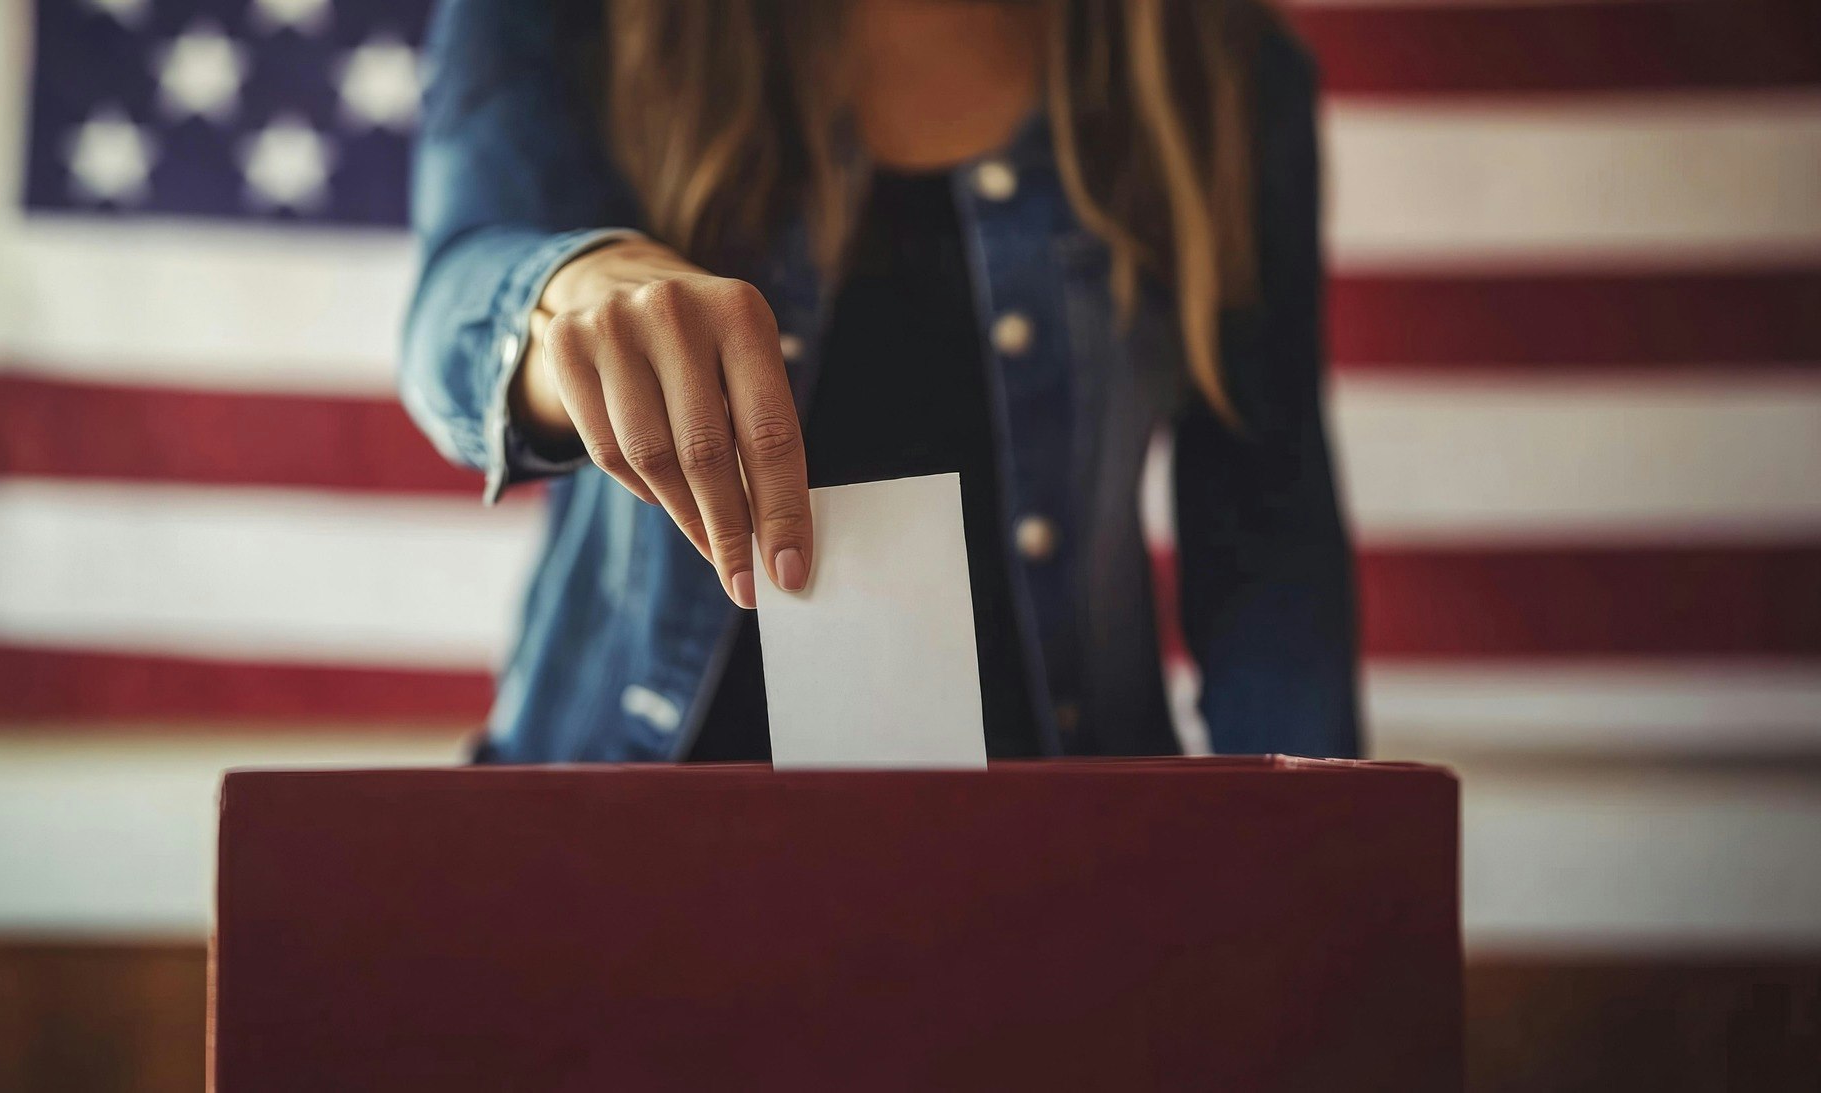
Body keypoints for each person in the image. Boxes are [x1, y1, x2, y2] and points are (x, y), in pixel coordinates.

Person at [401, 0, 1360, 763]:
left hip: (1060, 862)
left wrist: (1312, 880)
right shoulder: (570, 17)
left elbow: (1270, 546)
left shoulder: (1221, 66)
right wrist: (573, 291)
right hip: (620, 843)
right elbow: (456, 303)